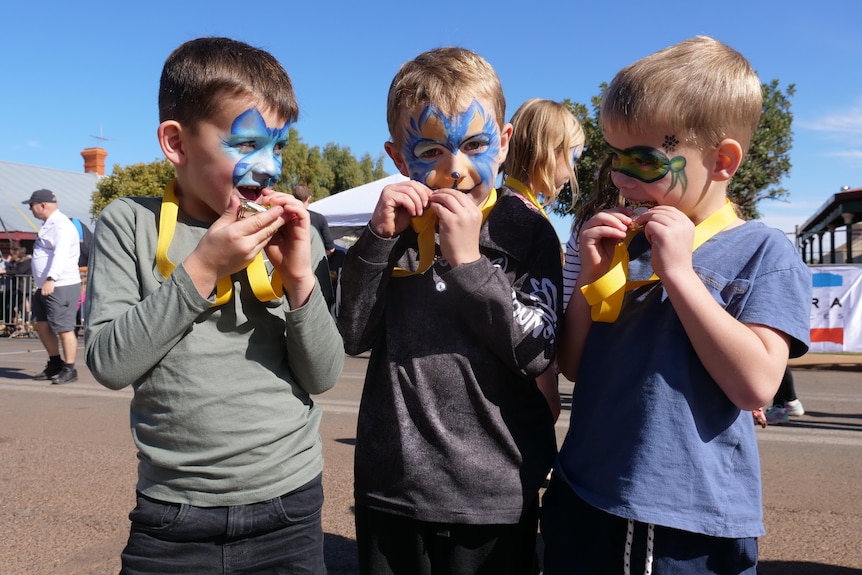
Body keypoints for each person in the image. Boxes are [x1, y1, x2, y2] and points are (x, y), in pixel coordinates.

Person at [544, 36, 812, 574]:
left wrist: (681, 275)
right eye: (614, 158)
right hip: (585, 490)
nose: (619, 180)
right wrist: (593, 279)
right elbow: (574, 365)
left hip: (680, 519)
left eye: (643, 162)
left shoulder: (764, 251)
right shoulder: (630, 247)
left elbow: (757, 385)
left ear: (722, 160)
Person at [83, 37, 344, 574]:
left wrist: (297, 277)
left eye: (279, 146)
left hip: (289, 502)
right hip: (175, 513)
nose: (268, 168)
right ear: (176, 143)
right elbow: (109, 364)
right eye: (245, 145)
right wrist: (202, 267)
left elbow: (323, 375)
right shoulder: (127, 223)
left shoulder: (298, 236)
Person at [337, 47, 562, 575]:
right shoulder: (391, 227)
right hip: (392, 487)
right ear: (398, 158)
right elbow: (351, 333)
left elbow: (536, 352)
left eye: (476, 145)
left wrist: (468, 262)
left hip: (494, 496)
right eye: (431, 150)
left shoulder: (526, 232)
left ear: (504, 144)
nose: (454, 170)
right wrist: (374, 242)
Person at [500, 97, 585, 422]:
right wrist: (548, 390)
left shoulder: (496, 207)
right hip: (525, 384)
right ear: (549, 153)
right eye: (573, 157)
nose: (572, 171)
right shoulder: (534, 224)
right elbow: (530, 317)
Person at [22, 189, 81, 384]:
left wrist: (51, 278)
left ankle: (70, 369)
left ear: (43, 205)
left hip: (60, 284)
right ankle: (55, 362)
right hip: (44, 285)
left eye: (31, 206)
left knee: (64, 327)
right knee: (40, 323)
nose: (31, 209)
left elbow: (61, 253)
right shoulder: (48, 225)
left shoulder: (61, 225)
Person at [292, 183, 335, 256]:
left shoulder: (283, 217)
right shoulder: (319, 219)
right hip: (312, 265)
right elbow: (331, 249)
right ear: (309, 198)